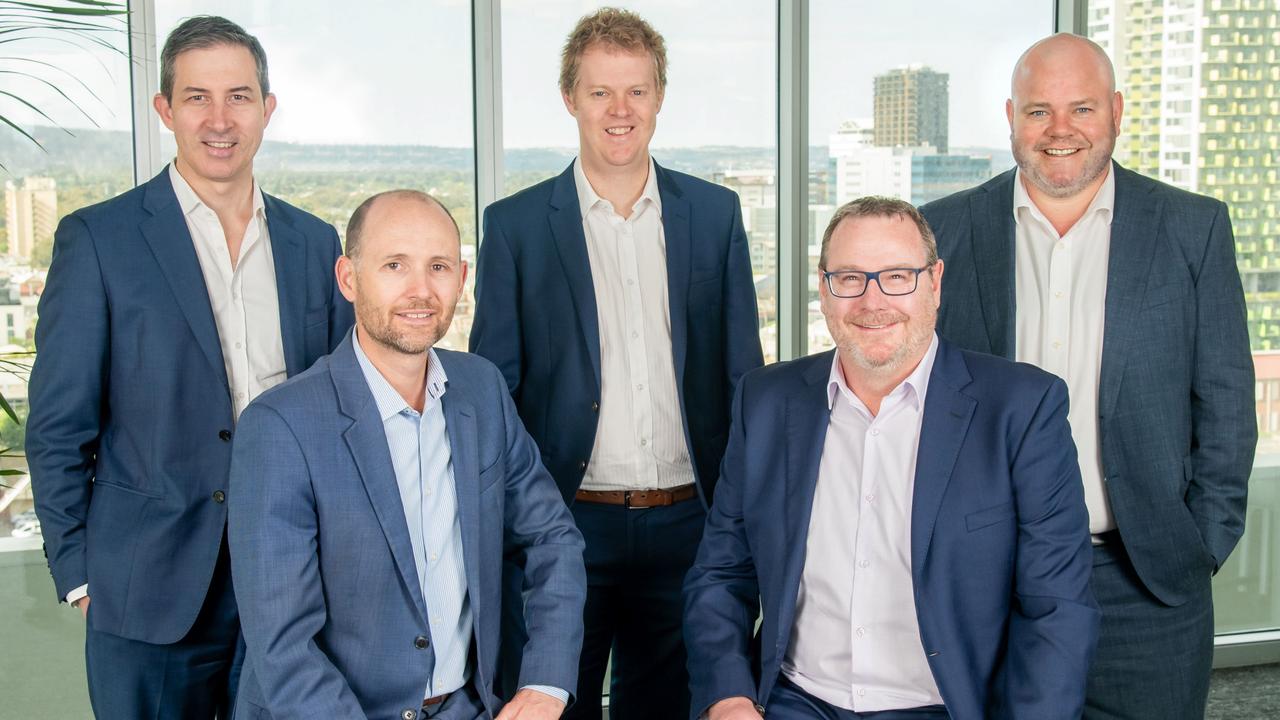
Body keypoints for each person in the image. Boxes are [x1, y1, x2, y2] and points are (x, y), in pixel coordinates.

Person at [920, 33, 1256, 719]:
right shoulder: (941, 231)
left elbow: (1225, 403)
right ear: (1011, 116)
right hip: (987, 575)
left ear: (1117, 112)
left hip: (1144, 580)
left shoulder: (1193, 229)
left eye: (1082, 108)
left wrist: (1201, 545)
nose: (1061, 130)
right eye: (1039, 111)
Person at [25, 15, 352, 718]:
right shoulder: (100, 241)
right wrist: (80, 575)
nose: (219, 118)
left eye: (238, 96)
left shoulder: (313, 243)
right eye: (197, 97)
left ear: (267, 109)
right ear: (165, 110)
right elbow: (58, 425)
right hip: (146, 588)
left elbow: (339, 411)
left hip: (289, 584)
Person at [684, 196, 1099, 720]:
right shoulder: (766, 401)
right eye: (850, 278)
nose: (872, 301)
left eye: (897, 276)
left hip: (944, 707)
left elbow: (1057, 609)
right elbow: (721, 573)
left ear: (935, 282)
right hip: (794, 701)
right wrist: (728, 699)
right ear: (824, 288)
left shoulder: (1021, 409)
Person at [469, 8, 763, 719]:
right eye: (601, 92)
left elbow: (742, 377)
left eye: (636, 91)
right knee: (552, 699)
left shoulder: (716, 215)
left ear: (659, 98)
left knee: (663, 706)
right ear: (570, 99)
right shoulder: (514, 227)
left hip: (689, 521)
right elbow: (493, 388)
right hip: (566, 524)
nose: (620, 110)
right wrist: (518, 518)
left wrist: (737, 513)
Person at [228, 190, 586, 719]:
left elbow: (552, 538)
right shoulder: (280, 426)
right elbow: (284, 647)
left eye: (438, 267)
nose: (421, 291)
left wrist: (545, 684)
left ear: (462, 279)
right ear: (348, 279)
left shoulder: (481, 390)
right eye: (395, 265)